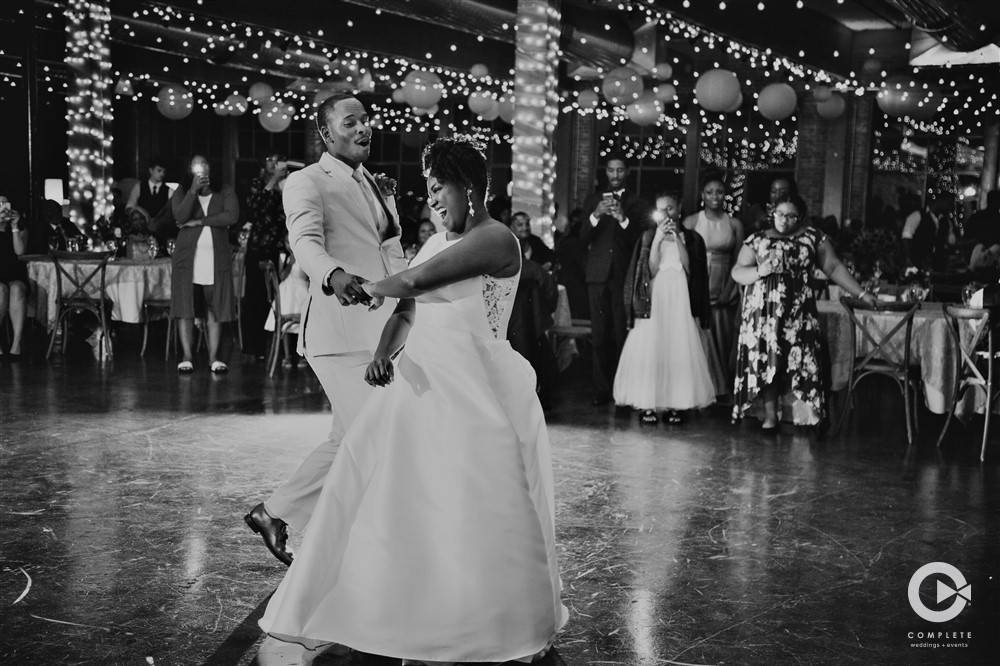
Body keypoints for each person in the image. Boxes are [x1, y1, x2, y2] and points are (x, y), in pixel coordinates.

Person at [257, 135, 567, 662]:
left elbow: (419, 281)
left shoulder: (497, 240)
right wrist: (382, 353)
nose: (433, 199)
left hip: (475, 385)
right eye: (427, 189)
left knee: (473, 503)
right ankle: (399, 608)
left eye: (439, 186)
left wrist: (370, 286)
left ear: (468, 186)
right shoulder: (436, 240)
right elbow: (410, 309)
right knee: (400, 498)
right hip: (422, 382)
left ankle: (480, 618)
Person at [243, 94, 407, 567]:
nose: (364, 128)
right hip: (337, 335)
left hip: (380, 333)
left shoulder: (373, 183)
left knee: (348, 439)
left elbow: (389, 246)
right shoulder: (305, 180)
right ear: (326, 133)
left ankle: (273, 513)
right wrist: (331, 274)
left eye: (367, 121)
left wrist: (408, 302)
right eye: (350, 121)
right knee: (376, 438)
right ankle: (356, 544)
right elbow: (305, 240)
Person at [731, 196, 877, 431]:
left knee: (803, 358)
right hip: (764, 312)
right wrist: (760, 270)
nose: (785, 220)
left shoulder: (812, 237)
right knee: (769, 360)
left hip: (798, 309)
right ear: (772, 212)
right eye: (780, 214)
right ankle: (770, 415)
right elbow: (738, 272)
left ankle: (806, 413)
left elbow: (833, 267)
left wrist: (861, 294)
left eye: (791, 216)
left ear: (800, 217)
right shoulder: (757, 239)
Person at [615, 191, 714, 425]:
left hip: (679, 299)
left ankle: (675, 404)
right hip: (656, 300)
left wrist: (677, 238)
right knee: (652, 349)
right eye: (662, 209)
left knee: (677, 349)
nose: (667, 214)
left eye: (670, 208)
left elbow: (691, 270)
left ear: (678, 209)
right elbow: (649, 271)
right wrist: (659, 239)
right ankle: (647, 404)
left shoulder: (692, 238)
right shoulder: (648, 236)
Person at [580, 154, 650, 406]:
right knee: (599, 335)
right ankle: (601, 389)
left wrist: (623, 219)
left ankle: (622, 388)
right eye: (611, 170)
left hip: (623, 276)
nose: (615, 175)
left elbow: (641, 241)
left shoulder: (637, 204)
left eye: (620, 170)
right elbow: (581, 238)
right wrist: (596, 215)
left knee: (621, 333)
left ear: (627, 172)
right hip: (597, 276)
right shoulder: (593, 200)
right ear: (606, 172)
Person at [169, 155, 239, 374]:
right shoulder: (181, 190)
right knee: (185, 307)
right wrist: (192, 191)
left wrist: (199, 221)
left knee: (214, 305)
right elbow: (180, 215)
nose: (202, 169)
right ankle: (187, 356)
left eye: (205, 164)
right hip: (187, 258)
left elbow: (231, 216)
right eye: (196, 165)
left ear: (212, 167)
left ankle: (214, 357)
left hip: (216, 258)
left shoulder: (224, 190)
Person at [682, 175, 742, 398]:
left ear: (724, 195)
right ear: (702, 195)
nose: (714, 196)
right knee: (699, 334)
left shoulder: (734, 224)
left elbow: (739, 259)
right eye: (709, 191)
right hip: (699, 281)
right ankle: (701, 387)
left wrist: (729, 289)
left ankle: (723, 389)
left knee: (723, 336)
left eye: (718, 191)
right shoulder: (690, 222)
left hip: (725, 281)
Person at [243, 153, 290, 360]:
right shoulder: (258, 183)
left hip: (282, 248)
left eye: (277, 160)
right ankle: (254, 348)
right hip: (259, 247)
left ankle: (279, 350)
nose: (273, 163)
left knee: (278, 297)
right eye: (269, 159)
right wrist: (272, 181)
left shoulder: (289, 184)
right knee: (255, 298)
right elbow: (255, 208)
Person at [0, 195, 28, 359]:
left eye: (5, 203)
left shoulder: (19, 228)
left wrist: (15, 226)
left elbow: (19, 252)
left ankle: (16, 344)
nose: (3, 207)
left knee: (16, 289)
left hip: (14, 274)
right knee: (1, 290)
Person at [901, 192, 956, 271]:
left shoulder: (946, 221)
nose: (949, 208)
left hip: (937, 265)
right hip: (917, 264)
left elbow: (950, 242)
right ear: (940, 201)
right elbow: (906, 238)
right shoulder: (917, 216)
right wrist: (908, 258)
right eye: (949, 204)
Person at [125, 156, 173, 239]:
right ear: (151, 170)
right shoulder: (139, 187)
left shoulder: (170, 191)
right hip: (142, 232)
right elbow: (129, 208)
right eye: (159, 170)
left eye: (164, 172)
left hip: (161, 232)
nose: (162, 174)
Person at [554, 207, 590, 319]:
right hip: (577, 292)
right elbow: (586, 269)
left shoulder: (568, 241)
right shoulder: (575, 243)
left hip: (569, 288)